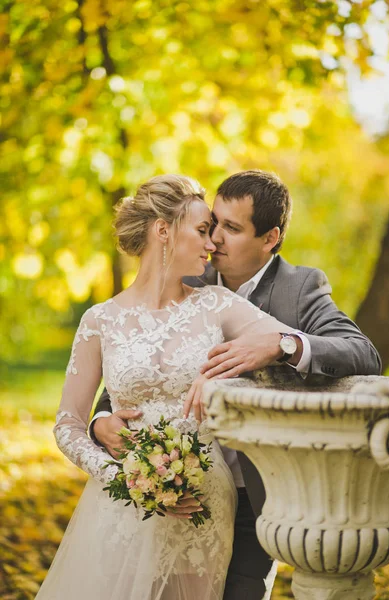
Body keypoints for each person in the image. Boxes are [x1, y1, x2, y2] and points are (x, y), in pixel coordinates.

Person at [92, 170, 381, 600]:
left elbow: (363, 353)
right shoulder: (187, 276)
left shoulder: (300, 287)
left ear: (270, 237)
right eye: (212, 223)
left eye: (232, 228)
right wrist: (99, 421)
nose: (215, 240)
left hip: (255, 493)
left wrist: (281, 343)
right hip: (173, 489)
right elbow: (135, 365)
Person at [36, 174, 296, 600]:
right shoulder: (99, 321)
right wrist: (128, 479)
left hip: (202, 510)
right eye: (200, 230)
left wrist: (261, 358)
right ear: (163, 230)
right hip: (120, 506)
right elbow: (67, 425)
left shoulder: (219, 306)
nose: (212, 243)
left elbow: (288, 344)